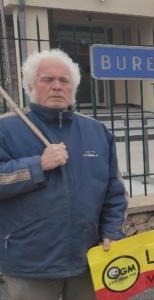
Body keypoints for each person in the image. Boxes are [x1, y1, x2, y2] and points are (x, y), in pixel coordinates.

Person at [0, 49, 127, 299]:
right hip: (31, 263)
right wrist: (38, 165)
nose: (57, 86)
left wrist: (112, 231)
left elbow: (115, 191)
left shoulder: (97, 131)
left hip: (87, 259)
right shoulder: (6, 128)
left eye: (64, 80)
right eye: (48, 79)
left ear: (73, 87)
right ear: (30, 86)